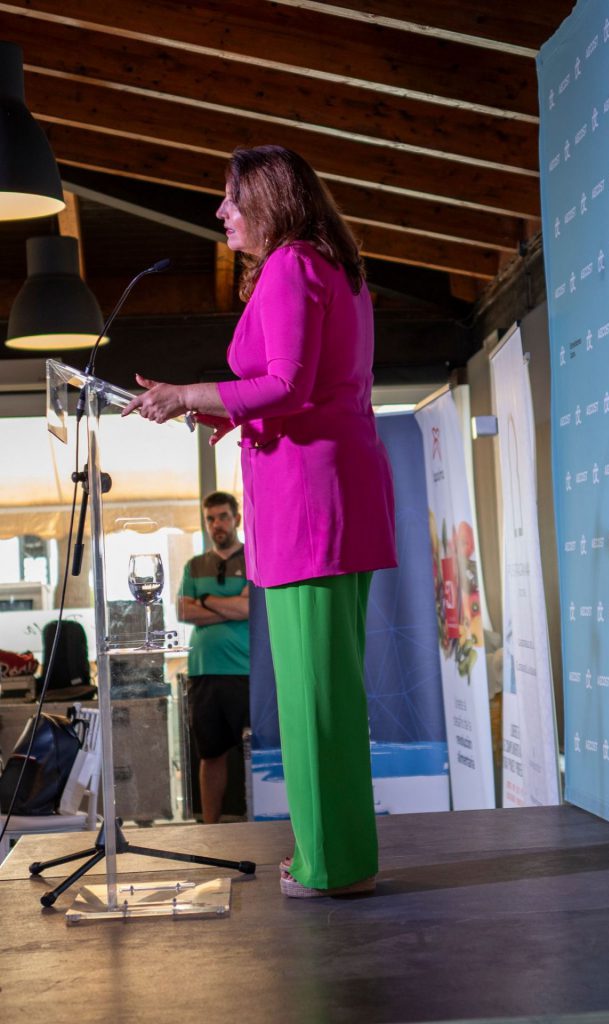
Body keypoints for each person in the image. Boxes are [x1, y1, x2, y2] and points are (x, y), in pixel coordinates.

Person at [122, 144, 397, 898]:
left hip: (310, 504)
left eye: (231, 198)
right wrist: (216, 412)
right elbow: (311, 389)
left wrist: (188, 394)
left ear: (270, 201)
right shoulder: (335, 266)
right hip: (336, 494)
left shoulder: (291, 265)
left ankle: (329, 866)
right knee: (330, 694)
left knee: (314, 699)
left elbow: (287, 383)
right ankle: (341, 857)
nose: (221, 212)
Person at [177, 491, 249, 824]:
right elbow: (183, 611)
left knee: (255, 753)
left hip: (246, 672)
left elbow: (249, 608)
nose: (216, 524)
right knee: (210, 754)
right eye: (210, 519)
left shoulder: (254, 559)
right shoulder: (194, 566)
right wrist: (229, 606)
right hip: (203, 673)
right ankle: (210, 829)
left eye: (223, 517)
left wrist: (204, 600)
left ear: (236, 519)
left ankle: (261, 822)